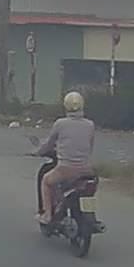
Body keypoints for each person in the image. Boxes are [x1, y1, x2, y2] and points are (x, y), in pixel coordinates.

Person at [35, 90, 96, 225]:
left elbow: (49, 143)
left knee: (46, 181)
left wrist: (38, 151)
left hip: (65, 169)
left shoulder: (60, 124)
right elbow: (89, 147)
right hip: (87, 170)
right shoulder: (90, 125)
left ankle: (47, 215)